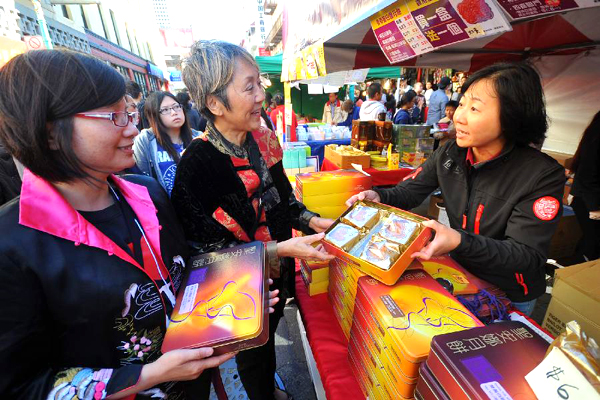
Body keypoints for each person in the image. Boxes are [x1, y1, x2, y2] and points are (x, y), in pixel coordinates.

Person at [0, 49, 269, 398]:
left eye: (129, 111)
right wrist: (149, 375)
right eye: (115, 116)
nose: (132, 127)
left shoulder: (148, 192)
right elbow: (19, 386)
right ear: (50, 131)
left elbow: (183, 273)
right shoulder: (12, 243)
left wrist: (234, 297)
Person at [171, 40, 335, 400]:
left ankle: (267, 386)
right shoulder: (196, 166)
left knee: (270, 337)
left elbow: (284, 201)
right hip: (238, 290)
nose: (263, 94)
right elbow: (206, 252)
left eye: (261, 83)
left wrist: (311, 221)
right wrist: (279, 249)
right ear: (214, 103)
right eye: (250, 87)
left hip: (278, 272)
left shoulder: (263, 135)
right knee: (251, 351)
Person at [347, 62, 565, 316]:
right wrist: (379, 196)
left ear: (512, 115)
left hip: (511, 293)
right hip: (460, 276)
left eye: (474, 108)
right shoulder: (451, 153)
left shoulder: (541, 175)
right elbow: (411, 191)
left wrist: (459, 241)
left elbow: (526, 255)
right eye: (462, 104)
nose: (458, 116)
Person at [133, 91, 199, 196]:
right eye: (165, 110)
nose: (174, 112)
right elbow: (143, 180)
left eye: (176, 107)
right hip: (166, 208)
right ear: (154, 115)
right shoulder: (145, 140)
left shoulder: (198, 138)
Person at [570, 111, 600, 261]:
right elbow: (588, 176)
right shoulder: (595, 139)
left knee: (591, 240)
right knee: (593, 243)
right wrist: (595, 208)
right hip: (588, 200)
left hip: (589, 198)